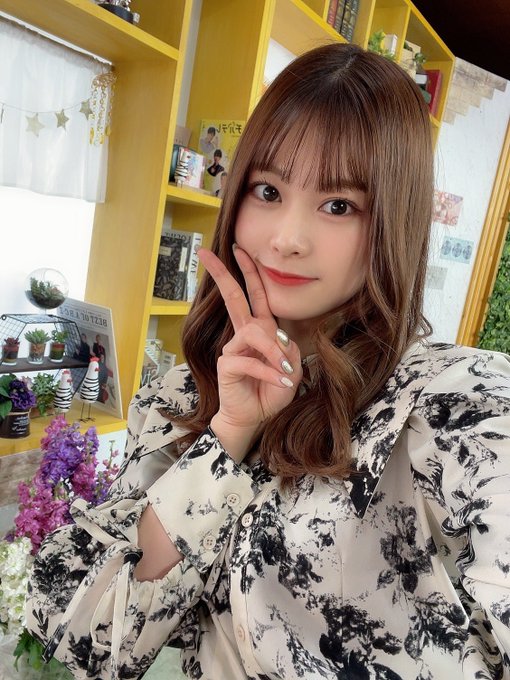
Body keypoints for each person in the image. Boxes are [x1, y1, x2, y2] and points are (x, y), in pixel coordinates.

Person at [26, 43, 510, 679]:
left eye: (339, 205)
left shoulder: (458, 409)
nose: (287, 238)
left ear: (397, 220)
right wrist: (229, 435)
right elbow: (84, 637)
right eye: (268, 190)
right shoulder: (182, 399)